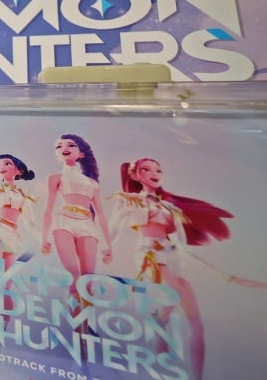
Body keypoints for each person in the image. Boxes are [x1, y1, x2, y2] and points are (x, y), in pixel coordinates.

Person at [110, 157, 245, 380]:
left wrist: (218, 271)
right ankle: (160, 325)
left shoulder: (170, 208)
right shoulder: (129, 201)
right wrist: (105, 249)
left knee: (196, 322)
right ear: (135, 175)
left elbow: (180, 244)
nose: (154, 174)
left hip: (172, 256)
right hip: (149, 254)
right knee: (174, 293)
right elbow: (114, 227)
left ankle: (197, 375)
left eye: (158, 170)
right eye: (146, 169)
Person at [40, 134, 112, 304]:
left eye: (71, 145)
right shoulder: (55, 177)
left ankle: (84, 319)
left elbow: (101, 214)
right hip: (63, 221)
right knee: (73, 274)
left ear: (81, 154)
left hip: (87, 224)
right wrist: (44, 238)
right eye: (59, 146)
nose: (64, 148)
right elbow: (48, 208)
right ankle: (75, 315)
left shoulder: (92, 184)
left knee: (88, 281)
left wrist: (108, 245)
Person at [0, 153, 37, 295]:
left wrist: (42, 239)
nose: (1, 167)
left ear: (19, 171)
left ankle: (5, 302)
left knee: (7, 279)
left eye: (7, 163)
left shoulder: (24, 196)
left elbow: (29, 223)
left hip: (12, 233)